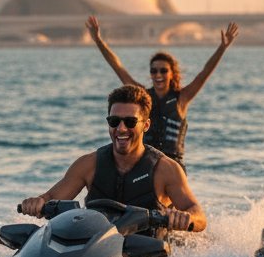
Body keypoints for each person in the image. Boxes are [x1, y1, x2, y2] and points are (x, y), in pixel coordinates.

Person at [20, 84, 205, 257]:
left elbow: (198, 214)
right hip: (94, 255)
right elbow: (52, 197)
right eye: (114, 121)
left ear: (145, 125)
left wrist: (183, 217)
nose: (121, 129)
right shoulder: (89, 164)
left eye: (130, 122)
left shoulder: (165, 168)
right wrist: (37, 203)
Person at [87, 16, 239, 169]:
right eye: (154, 71)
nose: (158, 75)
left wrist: (222, 48)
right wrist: (98, 41)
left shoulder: (182, 98)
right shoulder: (143, 97)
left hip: (174, 164)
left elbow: (205, 72)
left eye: (163, 71)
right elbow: (118, 67)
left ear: (172, 73)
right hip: (146, 163)